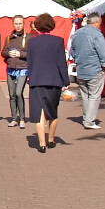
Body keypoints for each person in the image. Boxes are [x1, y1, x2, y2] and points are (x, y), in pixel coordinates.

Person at [26, 12, 68, 153]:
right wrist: (65, 81)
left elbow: (30, 63)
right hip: (54, 80)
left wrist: (29, 77)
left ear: (37, 26)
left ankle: (42, 143)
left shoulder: (31, 42)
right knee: (52, 111)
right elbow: (61, 63)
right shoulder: (58, 41)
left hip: (36, 80)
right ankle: (51, 138)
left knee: (39, 112)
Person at [69, 12, 105, 130]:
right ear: (96, 22)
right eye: (100, 23)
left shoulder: (77, 33)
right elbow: (102, 52)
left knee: (85, 94)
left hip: (81, 69)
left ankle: (86, 118)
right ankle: (89, 121)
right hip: (95, 68)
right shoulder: (97, 34)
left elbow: (72, 51)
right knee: (94, 96)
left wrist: (77, 61)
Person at [3, 15, 29, 127]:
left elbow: (31, 54)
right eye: (16, 24)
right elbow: (3, 52)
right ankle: (14, 118)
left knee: (19, 93)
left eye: (20, 24)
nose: (18, 26)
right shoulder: (9, 38)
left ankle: (22, 118)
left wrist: (20, 54)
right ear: (13, 24)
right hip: (11, 68)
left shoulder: (29, 38)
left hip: (23, 68)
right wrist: (9, 53)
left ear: (23, 24)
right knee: (12, 94)